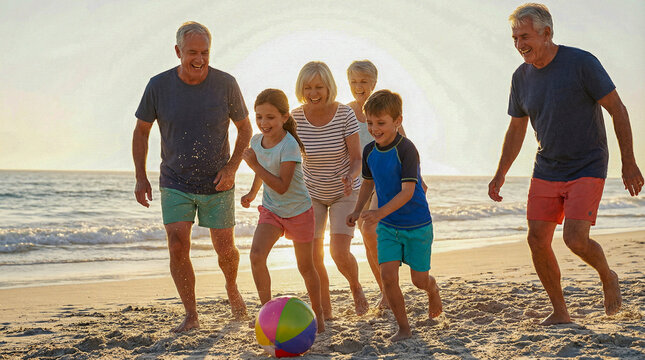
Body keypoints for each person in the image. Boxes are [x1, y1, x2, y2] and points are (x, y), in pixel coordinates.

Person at [488, 3, 643, 326]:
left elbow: (618, 109)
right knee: (536, 239)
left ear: (547, 33)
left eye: (525, 36)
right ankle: (560, 311)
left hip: (588, 163)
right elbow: (516, 129)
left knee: (574, 239)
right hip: (547, 166)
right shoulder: (521, 78)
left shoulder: (581, 63)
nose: (519, 44)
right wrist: (500, 174)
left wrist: (629, 162)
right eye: (514, 38)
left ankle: (607, 275)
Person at [132, 21, 252, 332]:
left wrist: (232, 167)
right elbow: (141, 132)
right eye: (192, 53)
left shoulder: (226, 84)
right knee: (176, 245)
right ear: (178, 52)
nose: (199, 59)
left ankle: (231, 286)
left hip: (218, 181)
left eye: (205, 53)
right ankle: (191, 314)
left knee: (225, 249)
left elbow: (245, 130)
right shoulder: (158, 86)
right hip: (174, 181)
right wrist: (140, 176)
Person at [347, 89, 442, 341]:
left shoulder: (407, 149)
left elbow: (408, 192)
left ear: (397, 121)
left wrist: (377, 212)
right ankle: (404, 329)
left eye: (381, 123)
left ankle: (433, 289)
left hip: (417, 225)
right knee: (388, 277)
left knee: (418, 280)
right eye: (369, 123)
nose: (374, 129)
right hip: (388, 226)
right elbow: (367, 183)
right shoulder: (369, 151)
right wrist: (358, 210)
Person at [241, 89, 325, 332]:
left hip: (299, 211)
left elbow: (281, 185)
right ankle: (266, 312)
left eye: (270, 117)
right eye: (259, 117)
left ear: (285, 117)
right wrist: (252, 193)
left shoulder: (289, 146)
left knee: (306, 267)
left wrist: (254, 164)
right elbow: (263, 174)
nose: (263, 123)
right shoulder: (256, 141)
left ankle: (318, 314)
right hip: (272, 210)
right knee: (256, 255)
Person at [346, 60, 425, 309]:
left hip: (387, 182)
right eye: (354, 82)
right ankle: (386, 290)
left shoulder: (385, 109)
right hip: (361, 182)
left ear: (374, 82)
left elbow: (406, 145)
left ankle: (390, 286)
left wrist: (418, 177)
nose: (359, 87)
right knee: (367, 237)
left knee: (371, 230)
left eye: (364, 82)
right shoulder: (346, 112)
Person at [292, 61, 369, 318]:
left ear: (329, 87)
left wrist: (350, 174)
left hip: (344, 193)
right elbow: (283, 154)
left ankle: (355, 286)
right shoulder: (295, 118)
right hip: (311, 192)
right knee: (314, 257)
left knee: (338, 252)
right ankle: (325, 310)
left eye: (319, 87)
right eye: (308, 87)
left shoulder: (344, 115)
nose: (313, 93)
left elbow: (357, 158)